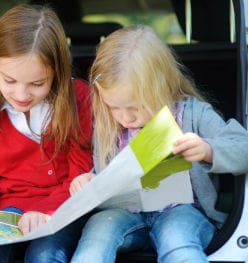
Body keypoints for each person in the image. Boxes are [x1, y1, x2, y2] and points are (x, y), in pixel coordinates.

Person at [69, 25, 248, 263]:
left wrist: (208, 150)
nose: (125, 117)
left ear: (162, 86)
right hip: (125, 215)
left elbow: (243, 146)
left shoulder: (193, 115)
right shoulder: (108, 125)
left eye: (134, 107)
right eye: (113, 107)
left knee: (177, 240)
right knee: (97, 234)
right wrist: (88, 180)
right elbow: (108, 174)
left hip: (184, 212)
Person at [0, 4, 93, 263]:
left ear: (57, 69)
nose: (21, 95)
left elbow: (79, 177)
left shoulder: (79, 99)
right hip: (8, 213)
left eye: (37, 84)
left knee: (45, 255)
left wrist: (43, 213)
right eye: (9, 80)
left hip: (63, 210)